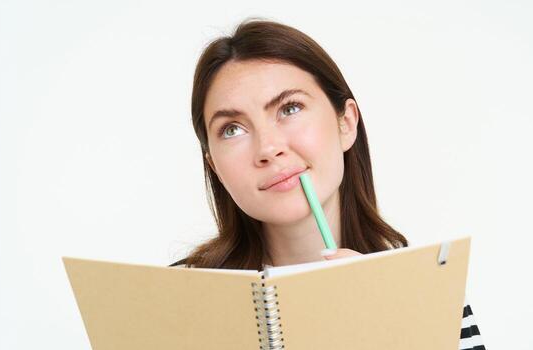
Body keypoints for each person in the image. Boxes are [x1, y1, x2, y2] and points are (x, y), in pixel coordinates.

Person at [170, 18, 486, 350]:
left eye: (290, 108)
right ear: (215, 166)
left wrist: (390, 331)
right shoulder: (173, 297)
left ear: (346, 123)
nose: (268, 148)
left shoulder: (429, 292)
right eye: (232, 129)